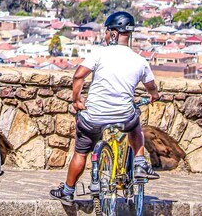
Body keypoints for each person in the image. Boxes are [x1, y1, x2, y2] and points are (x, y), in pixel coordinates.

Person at [50, 11, 160, 205]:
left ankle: (67, 191)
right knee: (134, 121)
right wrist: (154, 96)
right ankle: (140, 163)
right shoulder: (140, 61)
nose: (106, 35)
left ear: (114, 33)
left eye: (108, 31)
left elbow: (78, 76)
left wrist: (77, 100)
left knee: (81, 152)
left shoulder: (99, 53)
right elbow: (151, 87)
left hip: (93, 116)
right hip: (123, 116)